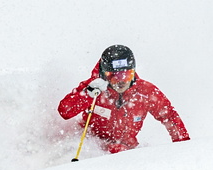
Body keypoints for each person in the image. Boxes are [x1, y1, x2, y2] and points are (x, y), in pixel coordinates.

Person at [57, 44, 189, 154]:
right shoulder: (93, 88)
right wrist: (87, 94)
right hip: (90, 145)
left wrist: (184, 149)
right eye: (114, 76)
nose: (121, 81)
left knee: (120, 150)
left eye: (126, 75)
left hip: (125, 150)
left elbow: (170, 117)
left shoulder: (145, 92)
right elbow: (65, 111)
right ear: (104, 74)